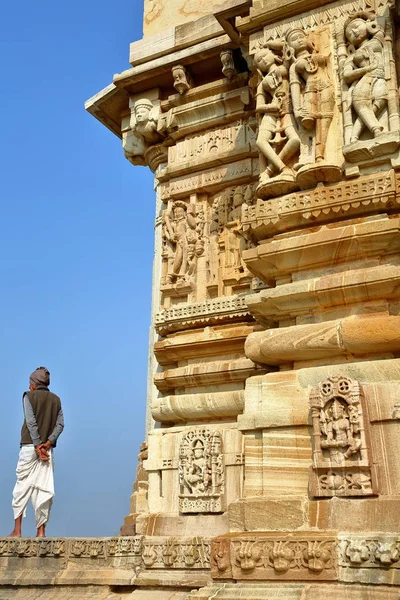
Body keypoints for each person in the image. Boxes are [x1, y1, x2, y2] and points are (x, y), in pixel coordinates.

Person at [9, 366, 64, 538]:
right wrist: (47, 443)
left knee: (22, 487)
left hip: (29, 446)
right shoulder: (56, 399)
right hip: (47, 449)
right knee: (44, 488)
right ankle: (41, 531)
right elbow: (60, 424)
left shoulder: (28, 396)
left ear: (33, 384)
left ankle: (17, 530)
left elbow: (31, 422)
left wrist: (37, 445)